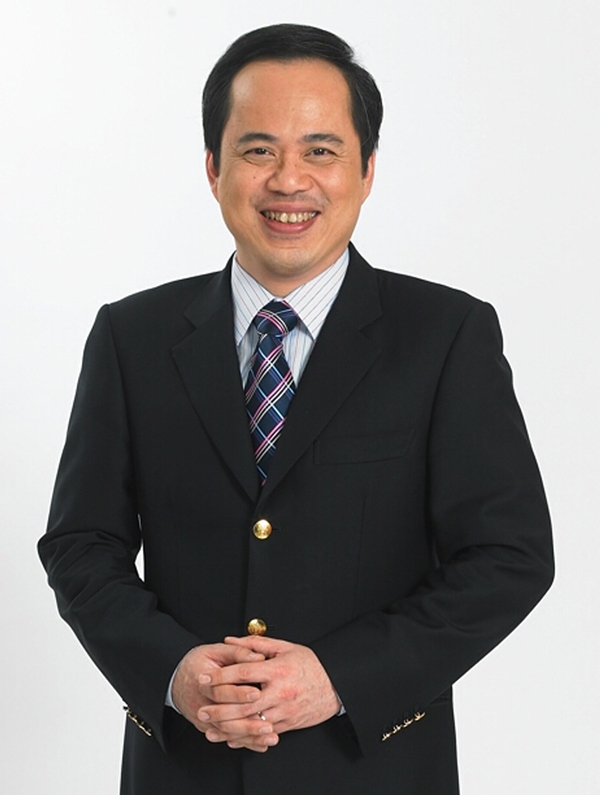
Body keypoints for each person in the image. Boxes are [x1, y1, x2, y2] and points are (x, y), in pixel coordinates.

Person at [39, 23, 554, 795]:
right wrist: (173, 670)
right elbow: (82, 544)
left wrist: (341, 677)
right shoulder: (131, 336)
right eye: (258, 150)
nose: (288, 180)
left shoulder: (445, 335)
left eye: (320, 150)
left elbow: (511, 556)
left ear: (367, 169)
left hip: (376, 773)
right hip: (184, 771)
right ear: (213, 167)